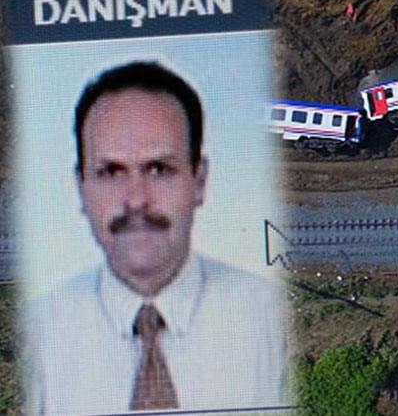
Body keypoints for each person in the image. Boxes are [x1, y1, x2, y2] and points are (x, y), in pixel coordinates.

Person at [24, 62, 289, 415]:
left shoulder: (271, 323)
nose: (136, 199)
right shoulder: (39, 335)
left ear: (199, 180)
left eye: (159, 169)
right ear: (81, 187)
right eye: (111, 171)